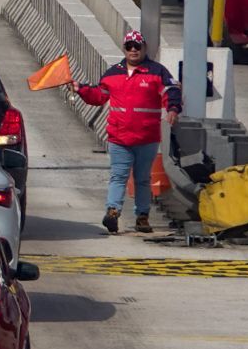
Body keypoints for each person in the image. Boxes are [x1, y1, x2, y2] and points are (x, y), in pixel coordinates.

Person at [75, 29, 180, 234]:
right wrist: (81, 89)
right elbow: (98, 96)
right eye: (129, 46)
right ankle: (112, 212)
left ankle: (142, 216)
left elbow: (171, 90)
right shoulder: (113, 73)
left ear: (144, 48)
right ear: (124, 49)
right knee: (118, 176)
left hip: (146, 138)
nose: (133, 50)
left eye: (137, 46)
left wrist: (173, 108)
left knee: (142, 178)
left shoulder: (157, 72)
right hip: (119, 137)